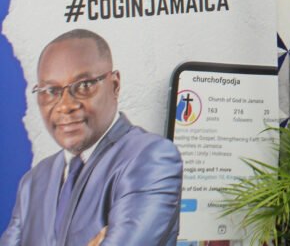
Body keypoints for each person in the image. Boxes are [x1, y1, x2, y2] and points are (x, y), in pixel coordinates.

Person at [2, 29, 182, 246]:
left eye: (84, 86)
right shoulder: (33, 182)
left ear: (114, 85)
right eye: (50, 91)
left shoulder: (151, 158)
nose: (65, 105)